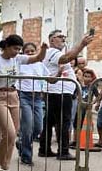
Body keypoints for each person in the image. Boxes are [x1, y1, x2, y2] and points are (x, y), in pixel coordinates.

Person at [0, 37, 47, 171]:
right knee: (9, 134)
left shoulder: (18, 59)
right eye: (15, 48)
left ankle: (5, 168)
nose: (17, 52)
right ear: (6, 46)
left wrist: (44, 49)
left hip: (14, 96)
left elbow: (38, 58)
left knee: (13, 136)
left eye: (19, 49)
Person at [39, 30, 94, 160]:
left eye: (64, 36)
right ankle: (63, 151)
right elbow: (67, 58)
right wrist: (82, 44)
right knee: (63, 122)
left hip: (57, 91)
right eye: (60, 37)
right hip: (59, 92)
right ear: (52, 40)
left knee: (50, 121)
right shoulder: (53, 52)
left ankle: (44, 148)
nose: (63, 39)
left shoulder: (51, 53)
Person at [18, 42, 49, 165]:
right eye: (27, 51)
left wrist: (59, 75)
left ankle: (22, 142)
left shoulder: (40, 65)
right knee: (27, 126)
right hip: (24, 96)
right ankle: (26, 155)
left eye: (32, 51)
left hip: (37, 98)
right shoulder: (21, 64)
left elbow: (47, 78)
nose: (30, 53)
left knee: (38, 127)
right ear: (23, 52)